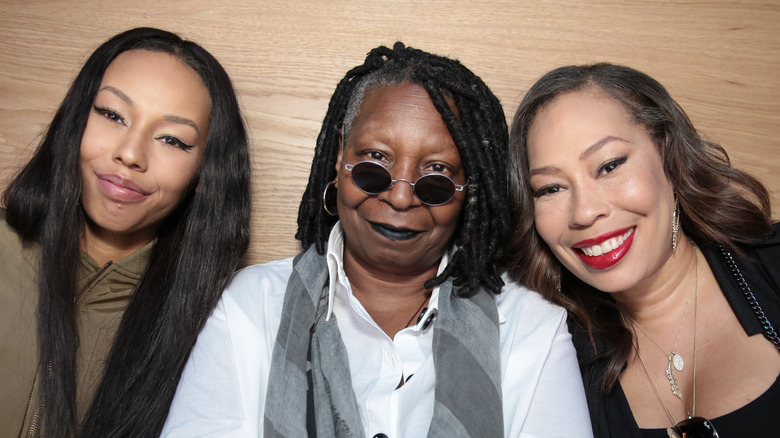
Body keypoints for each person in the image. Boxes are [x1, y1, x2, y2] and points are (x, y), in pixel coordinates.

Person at [163, 42, 591, 437]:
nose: (401, 196)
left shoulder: (530, 325)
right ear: (339, 156)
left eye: (437, 176)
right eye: (375, 163)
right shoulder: (250, 308)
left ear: (469, 191)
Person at [0, 27, 251, 437]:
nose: (131, 154)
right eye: (112, 115)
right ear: (74, 119)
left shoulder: (221, 324)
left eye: (172, 139)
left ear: (205, 173)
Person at [507, 62, 780, 437]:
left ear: (668, 156)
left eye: (609, 165)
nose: (585, 212)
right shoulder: (552, 356)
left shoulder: (772, 266)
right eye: (551, 188)